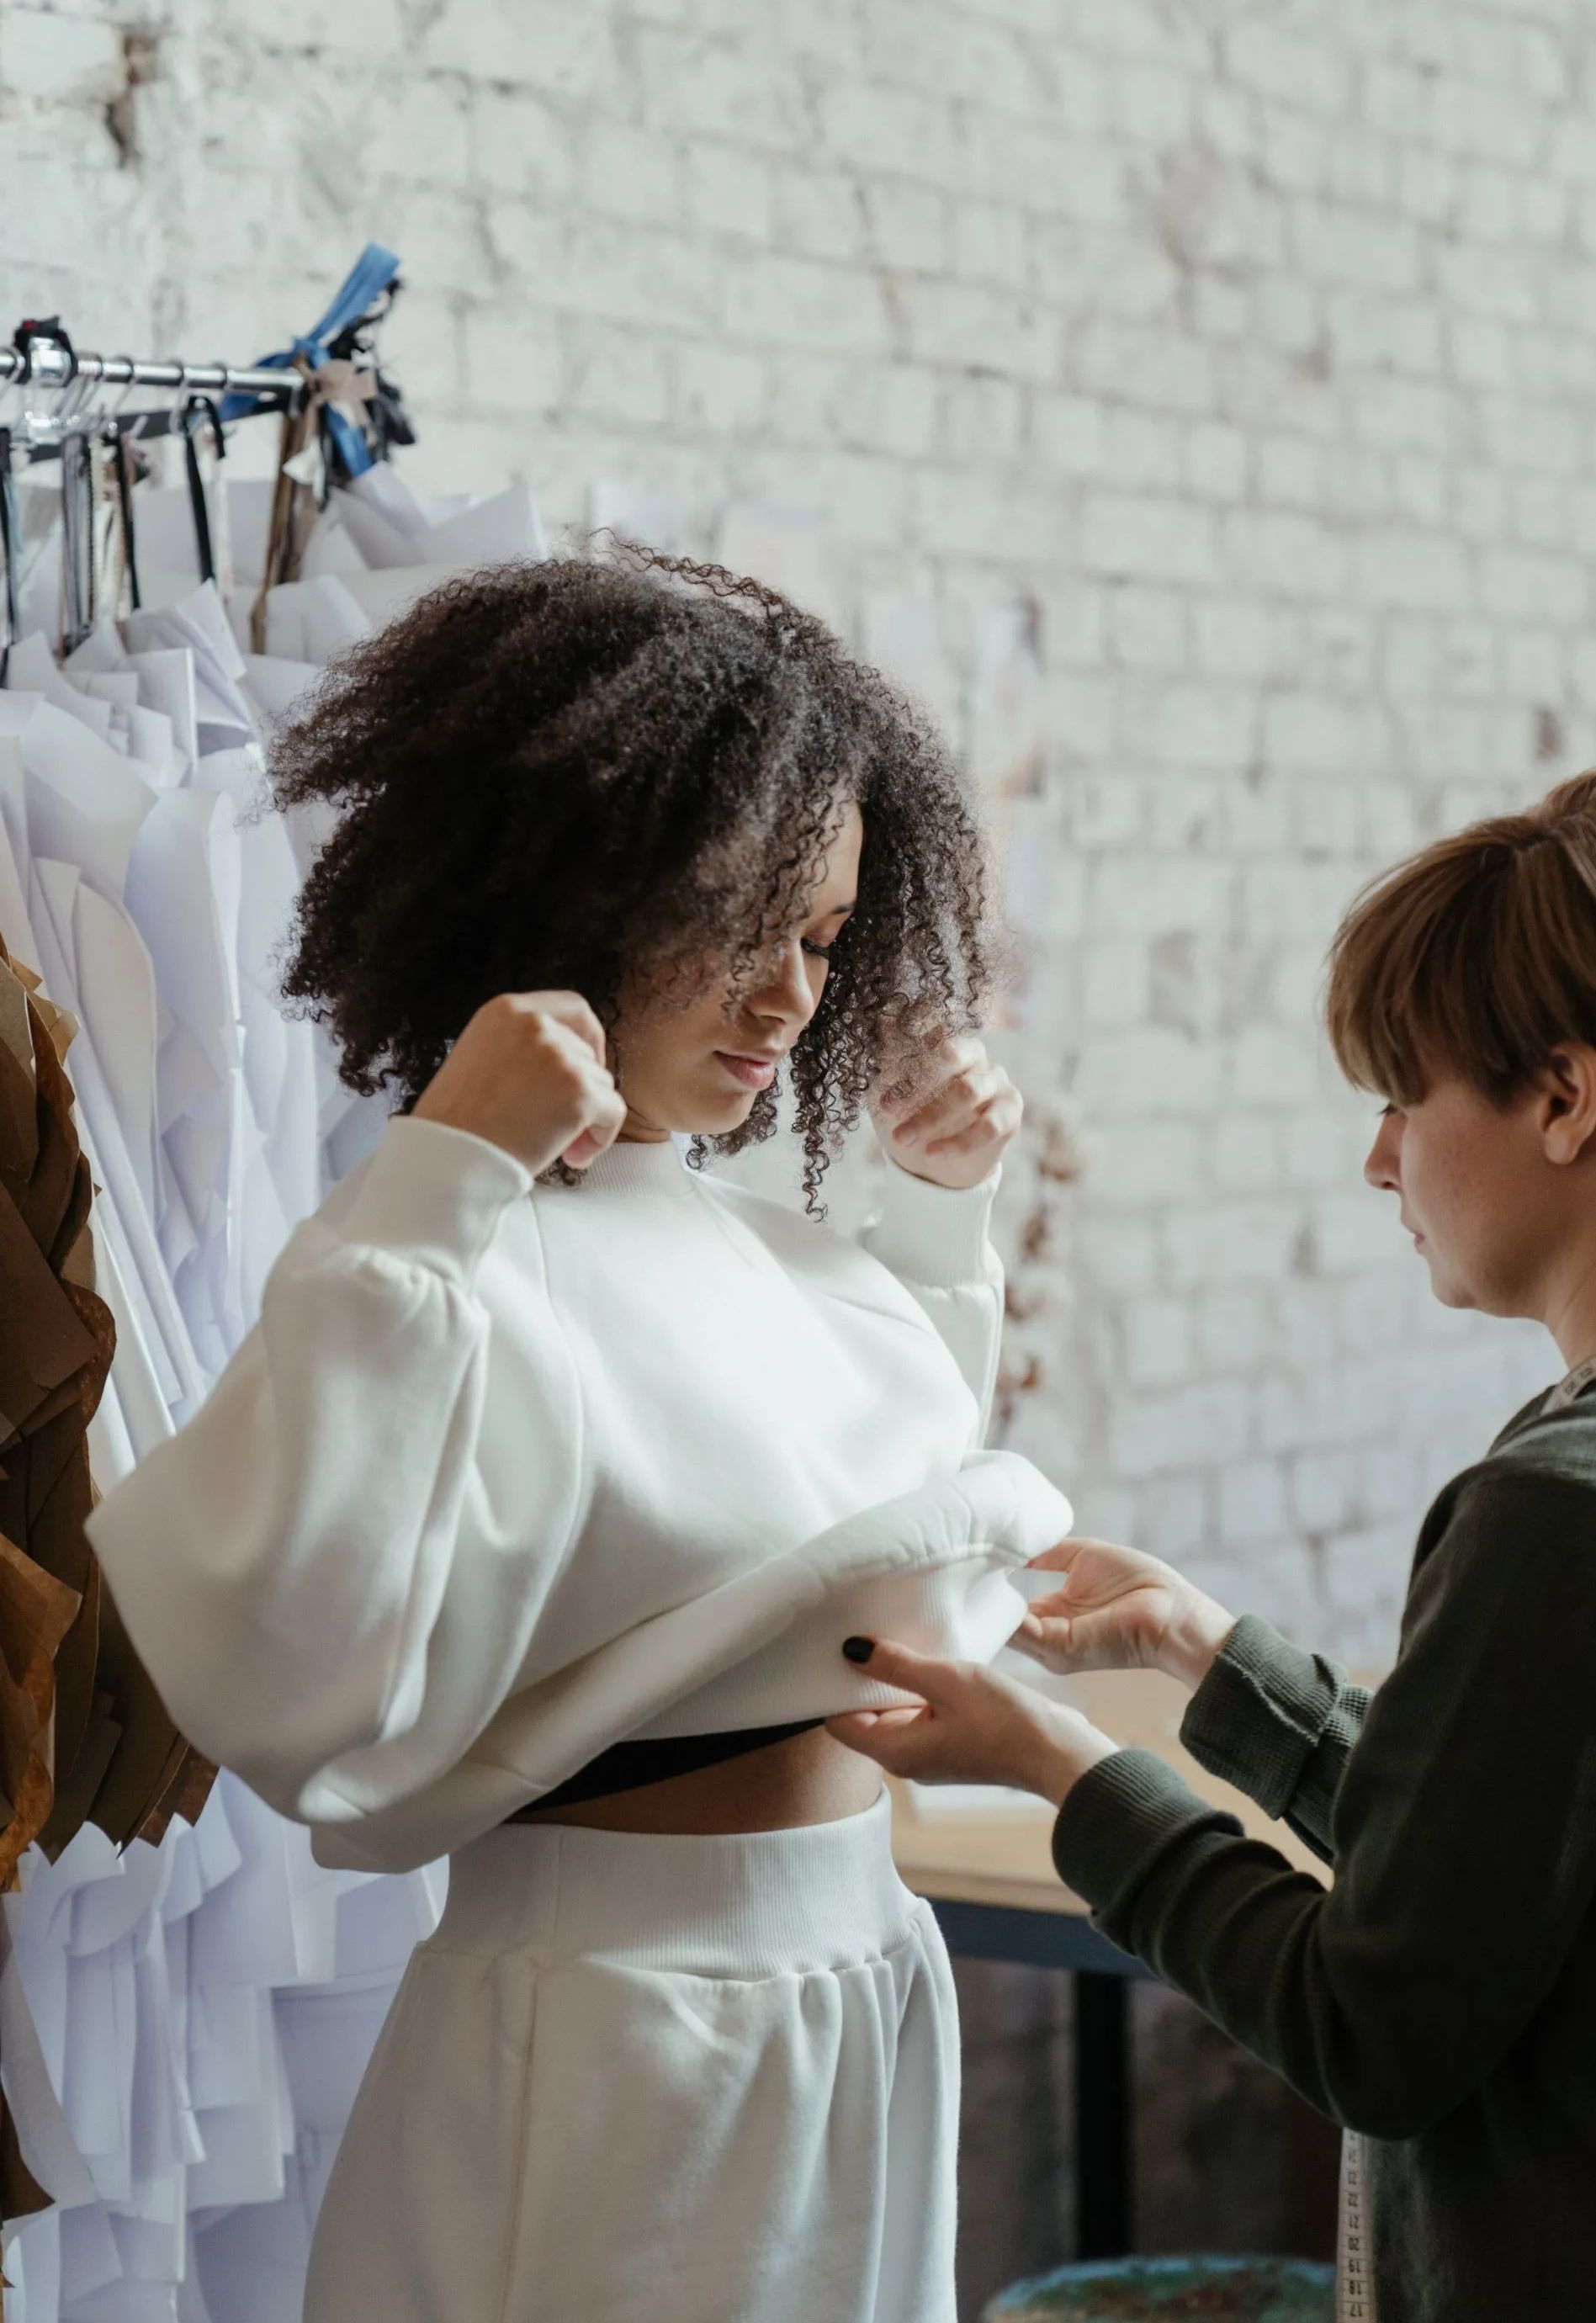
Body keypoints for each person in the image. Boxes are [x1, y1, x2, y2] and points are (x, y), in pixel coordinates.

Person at [86, 552, 1076, 2323]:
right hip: (625, 2027)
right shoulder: (430, 1259)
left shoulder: (747, 1246)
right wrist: (446, 1171)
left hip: (853, 1968)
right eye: (738, 921)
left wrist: (937, 1208)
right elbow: (269, 1653)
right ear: (573, 891)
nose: (786, 999)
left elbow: (865, 1522)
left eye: (825, 940)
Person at [829, 772, 1596, 2323]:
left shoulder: (1548, 1508)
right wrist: (1206, 1651)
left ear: (1565, 1098)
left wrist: (1061, 1768)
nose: (1377, 1163)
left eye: (1401, 1098)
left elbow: (1369, 2022)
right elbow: (1483, 1859)